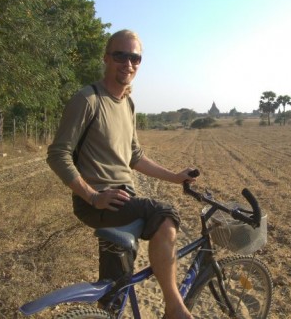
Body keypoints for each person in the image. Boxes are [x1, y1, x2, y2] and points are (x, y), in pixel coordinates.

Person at [47, 29, 193, 319]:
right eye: (120, 55)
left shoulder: (127, 102)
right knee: (165, 215)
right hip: (100, 202)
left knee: (116, 287)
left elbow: (134, 156)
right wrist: (93, 196)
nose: (128, 63)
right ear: (106, 58)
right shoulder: (88, 99)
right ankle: (174, 308)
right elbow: (57, 154)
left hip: (123, 199)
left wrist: (175, 177)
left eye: (135, 58)